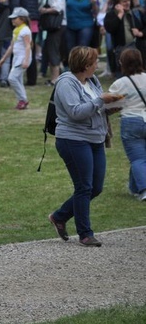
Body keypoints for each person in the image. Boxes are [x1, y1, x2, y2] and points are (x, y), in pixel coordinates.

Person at [48, 46, 123, 247]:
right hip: (73, 140)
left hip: (95, 139)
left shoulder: (92, 80)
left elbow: (96, 109)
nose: (97, 65)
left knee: (95, 187)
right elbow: (75, 112)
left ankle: (59, 216)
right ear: (86, 65)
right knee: (84, 187)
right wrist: (101, 100)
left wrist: (112, 106)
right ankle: (85, 234)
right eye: (95, 62)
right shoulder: (66, 83)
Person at [108, 48, 146, 200]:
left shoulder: (119, 83)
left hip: (131, 121)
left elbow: (109, 107)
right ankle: (134, 187)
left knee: (137, 158)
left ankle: (143, 189)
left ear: (122, 63)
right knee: (140, 158)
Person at [0, 8, 32, 110]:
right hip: (17, 58)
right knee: (18, 80)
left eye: (15, 18)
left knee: (12, 78)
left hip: (22, 58)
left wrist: (26, 60)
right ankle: (22, 100)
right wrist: (4, 58)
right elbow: (11, 46)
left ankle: (23, 99)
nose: (13, 20)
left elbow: (27, 46)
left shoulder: (25, 30)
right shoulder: (16, 30)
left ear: (22, 19)